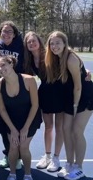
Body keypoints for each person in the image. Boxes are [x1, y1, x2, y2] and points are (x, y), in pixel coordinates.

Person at [45, 31, 93, 180]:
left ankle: (79, 167)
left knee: (76, 131)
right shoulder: (56, 58)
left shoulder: (70, 58)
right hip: (71, 98)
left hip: (84, 96)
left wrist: (75, 106)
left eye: (58, 42)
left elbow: (78, 86)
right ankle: (69, 163)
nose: (54, 46)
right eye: (52, 43)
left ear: (65, 43)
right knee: (65, 130)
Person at [0, 55, 42, 180]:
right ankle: (12, 174)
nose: (1, 69)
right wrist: (14, 130)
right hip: (11, 121)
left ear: (11, 64)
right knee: (13, 146)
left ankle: (28, 175)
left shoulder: (29, 80)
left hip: (30, 119)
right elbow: (2, 109)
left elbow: (35, 105)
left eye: (3, 65)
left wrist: (25, 128)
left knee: (23, 146)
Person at [23, 31, 64, 172]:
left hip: (60, 92)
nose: (32, 43)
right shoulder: (28, 60)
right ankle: (47, 156)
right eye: (29, 42)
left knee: (59, 127)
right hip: (45, 93)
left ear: (39, 41)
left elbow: (67, 58)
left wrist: (85, 70)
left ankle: (56, 158)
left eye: (34, 40)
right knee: (48, 127)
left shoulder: (50, 53)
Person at [0, 21, 24, 169]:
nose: (6, 34)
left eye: (10, 31)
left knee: (20, 123)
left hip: (20, 89)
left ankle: (18, 155)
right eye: (4, 31)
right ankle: (8, 154)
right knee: (6, 124)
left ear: (15, 34)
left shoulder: (21, 45)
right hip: (3, 89)